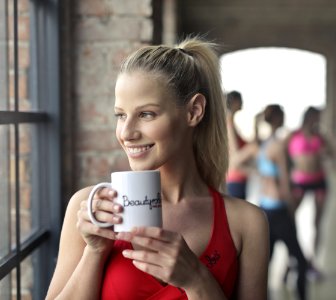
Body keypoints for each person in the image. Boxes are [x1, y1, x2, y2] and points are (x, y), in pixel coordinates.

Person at [46, 38, 269, 300]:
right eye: (120, 115)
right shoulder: (89, 209)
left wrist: (197, 280)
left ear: (194, 111)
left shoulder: (246, 223)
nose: (126, 133)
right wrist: (94, 251)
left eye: (146, 114)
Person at [255, 105, 308, 299]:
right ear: (277, 118)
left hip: (264, 209)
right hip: (279, 210)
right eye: (283, 115)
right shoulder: (279, 146)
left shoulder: (263, 144)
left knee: (266, 263)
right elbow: (286, 182)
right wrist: (292, 210)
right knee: (301, 261)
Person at [286, 106, 333, 280]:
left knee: (317, 223)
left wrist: (326, 150)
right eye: (316, 117)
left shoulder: (320, 137)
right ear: (308, 117)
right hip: (299, 182)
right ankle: (291, 261)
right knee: (289, 222)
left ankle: (312, 261)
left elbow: (332, 154)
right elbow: (282, 154)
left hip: (319, 181)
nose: (318, 121)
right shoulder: (294, 135)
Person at [226, 91, 249, 200]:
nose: (242, 102)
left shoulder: (231, 122)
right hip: (234, 179)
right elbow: (235, 157)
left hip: (237, 179)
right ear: (234, 102)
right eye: (240, 99)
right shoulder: (228, 122)